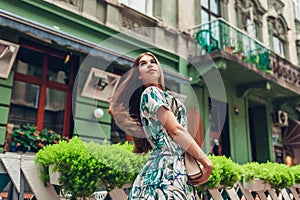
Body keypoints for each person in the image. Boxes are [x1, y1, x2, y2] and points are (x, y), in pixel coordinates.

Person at [109, 52, 212, 199]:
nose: (149, 64)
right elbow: (176, 130)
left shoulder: (162, 95)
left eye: (153, 61)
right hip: (167, 171)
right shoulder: (150, 92)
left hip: (171, 168)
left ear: (159, 69)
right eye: (143, 64)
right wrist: (206, 162)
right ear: (139, 75)